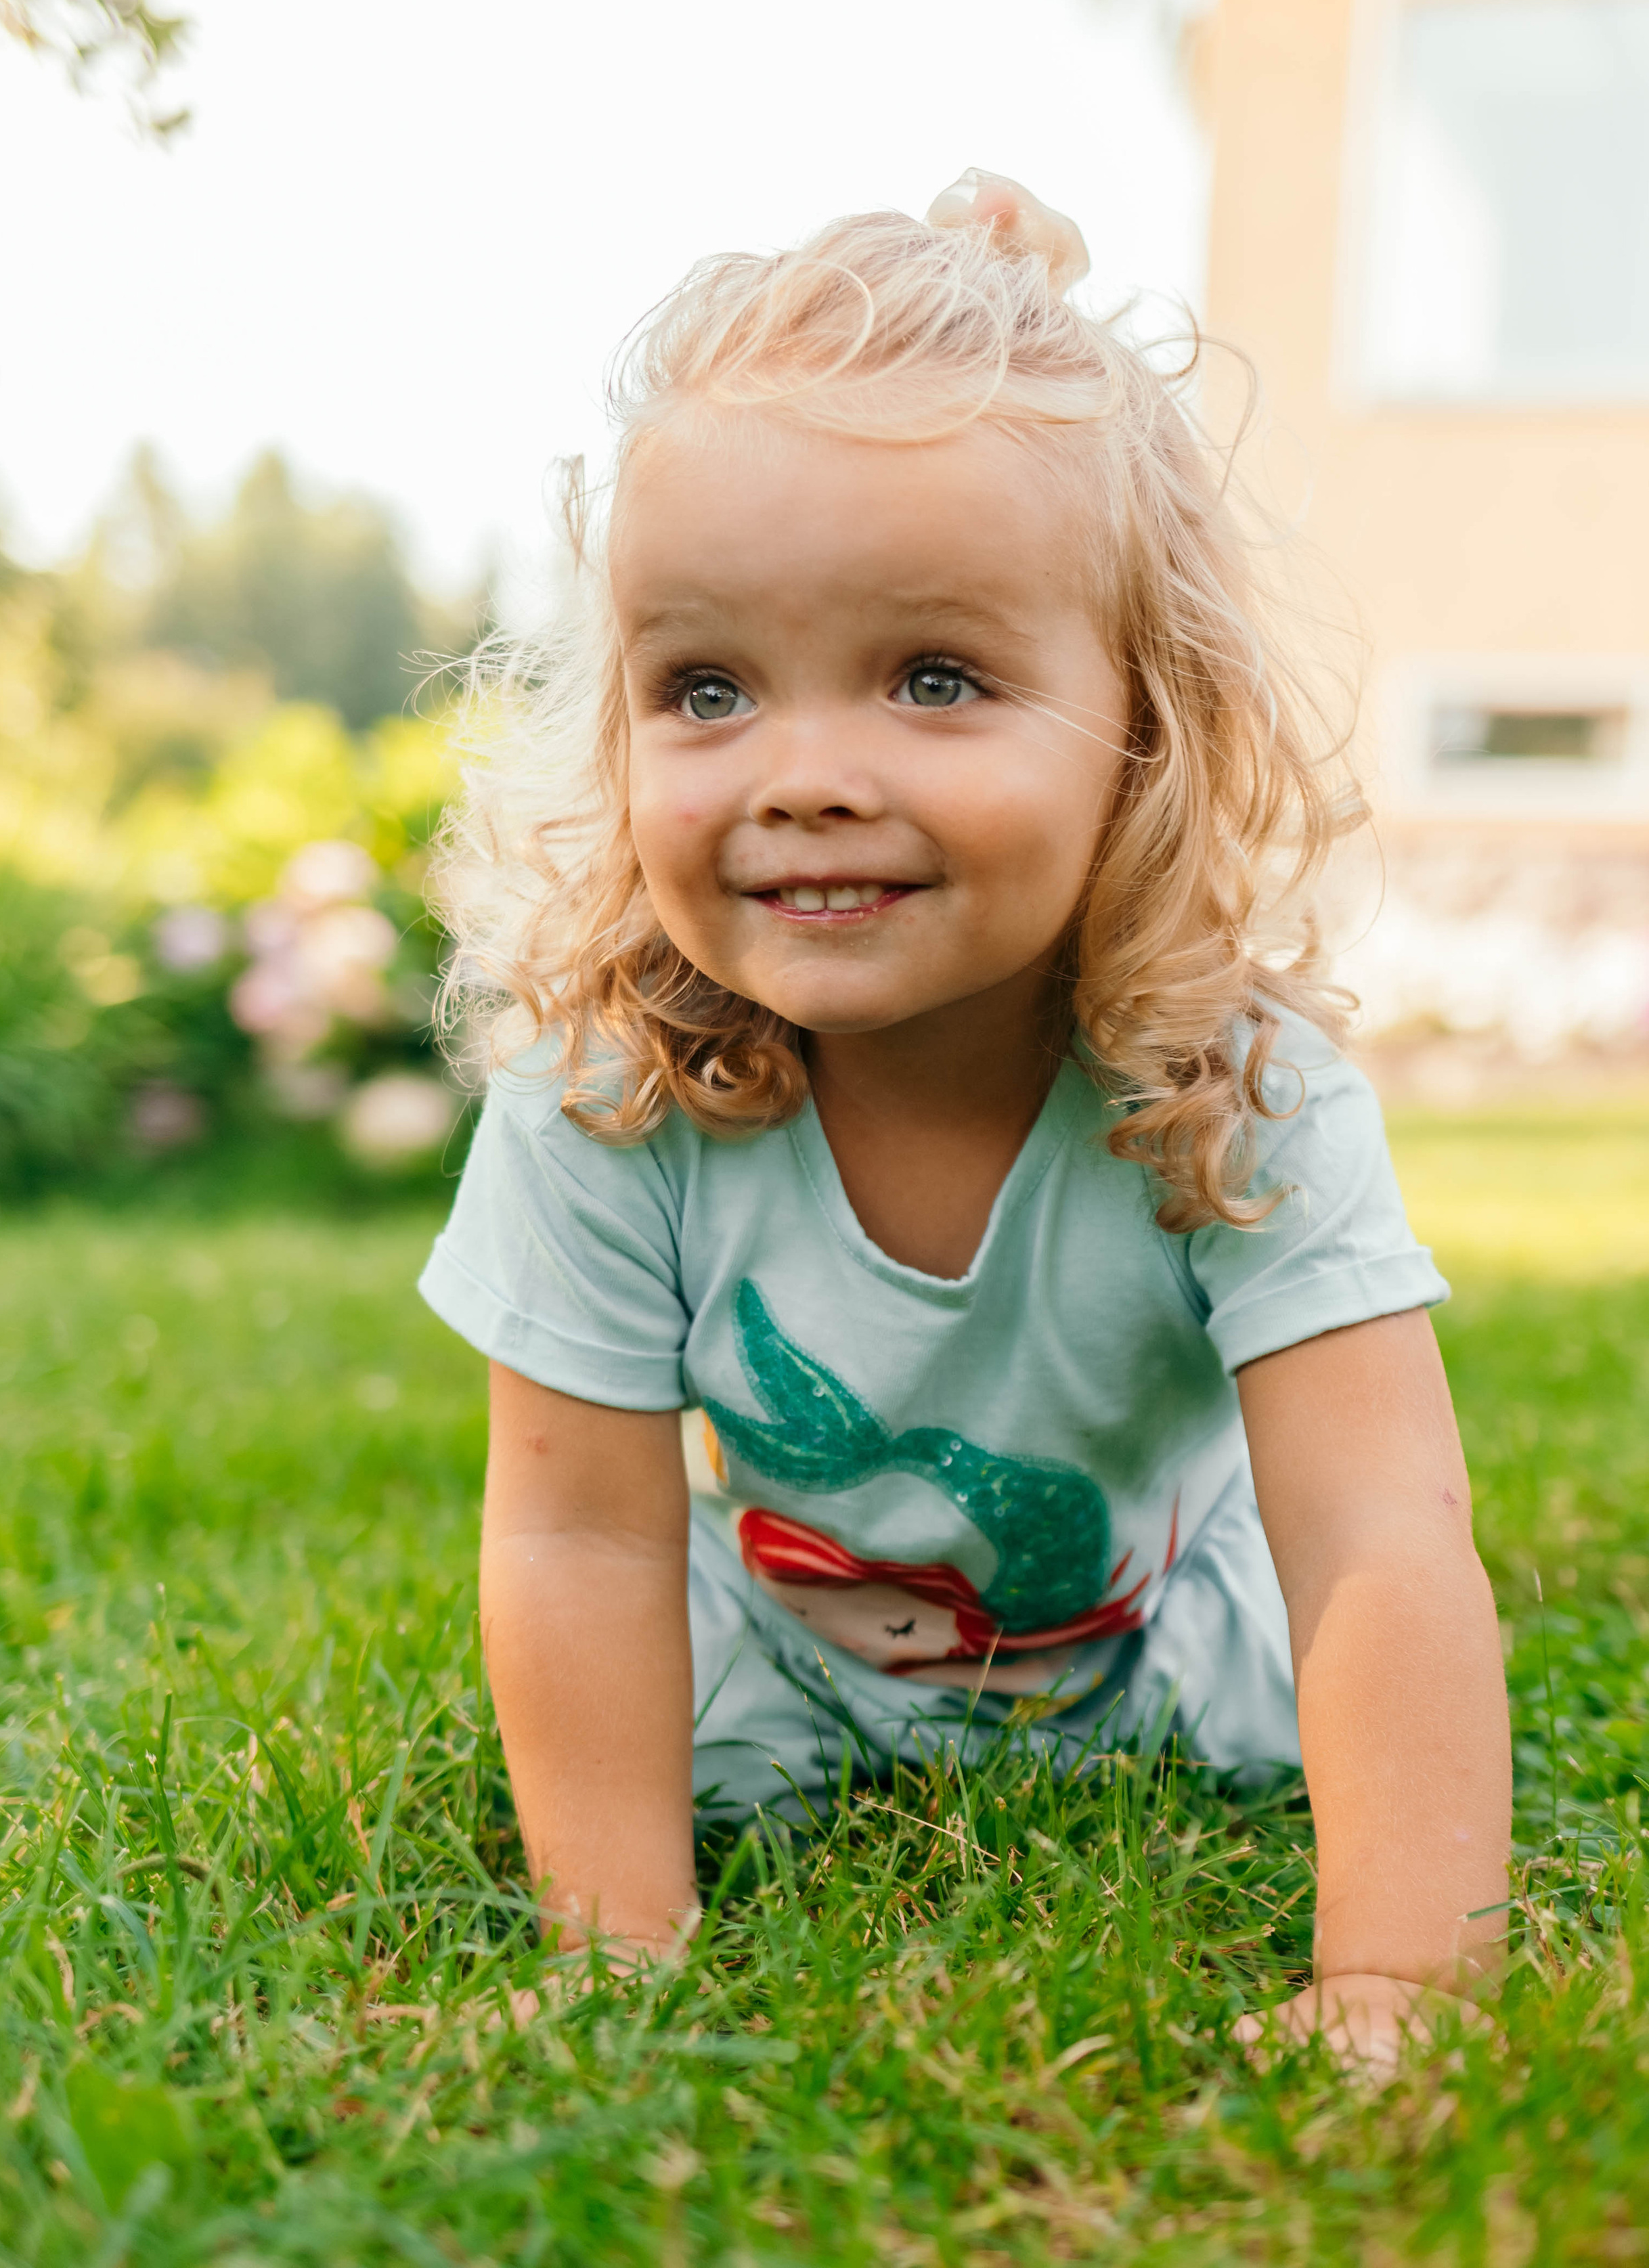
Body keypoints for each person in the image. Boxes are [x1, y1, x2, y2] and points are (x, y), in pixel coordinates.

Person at [420, 173, 1510, 2073]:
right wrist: (617, 1944)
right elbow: (584, 1546)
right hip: (774, 1661)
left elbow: (1378, 1545)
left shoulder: (1236, 1093)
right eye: (706, 687)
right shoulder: (606, 1106)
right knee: (645, 1654)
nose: (809, 776)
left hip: (1180, 1652)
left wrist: (1399, 1987)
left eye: (935, 678)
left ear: (1142, 731)